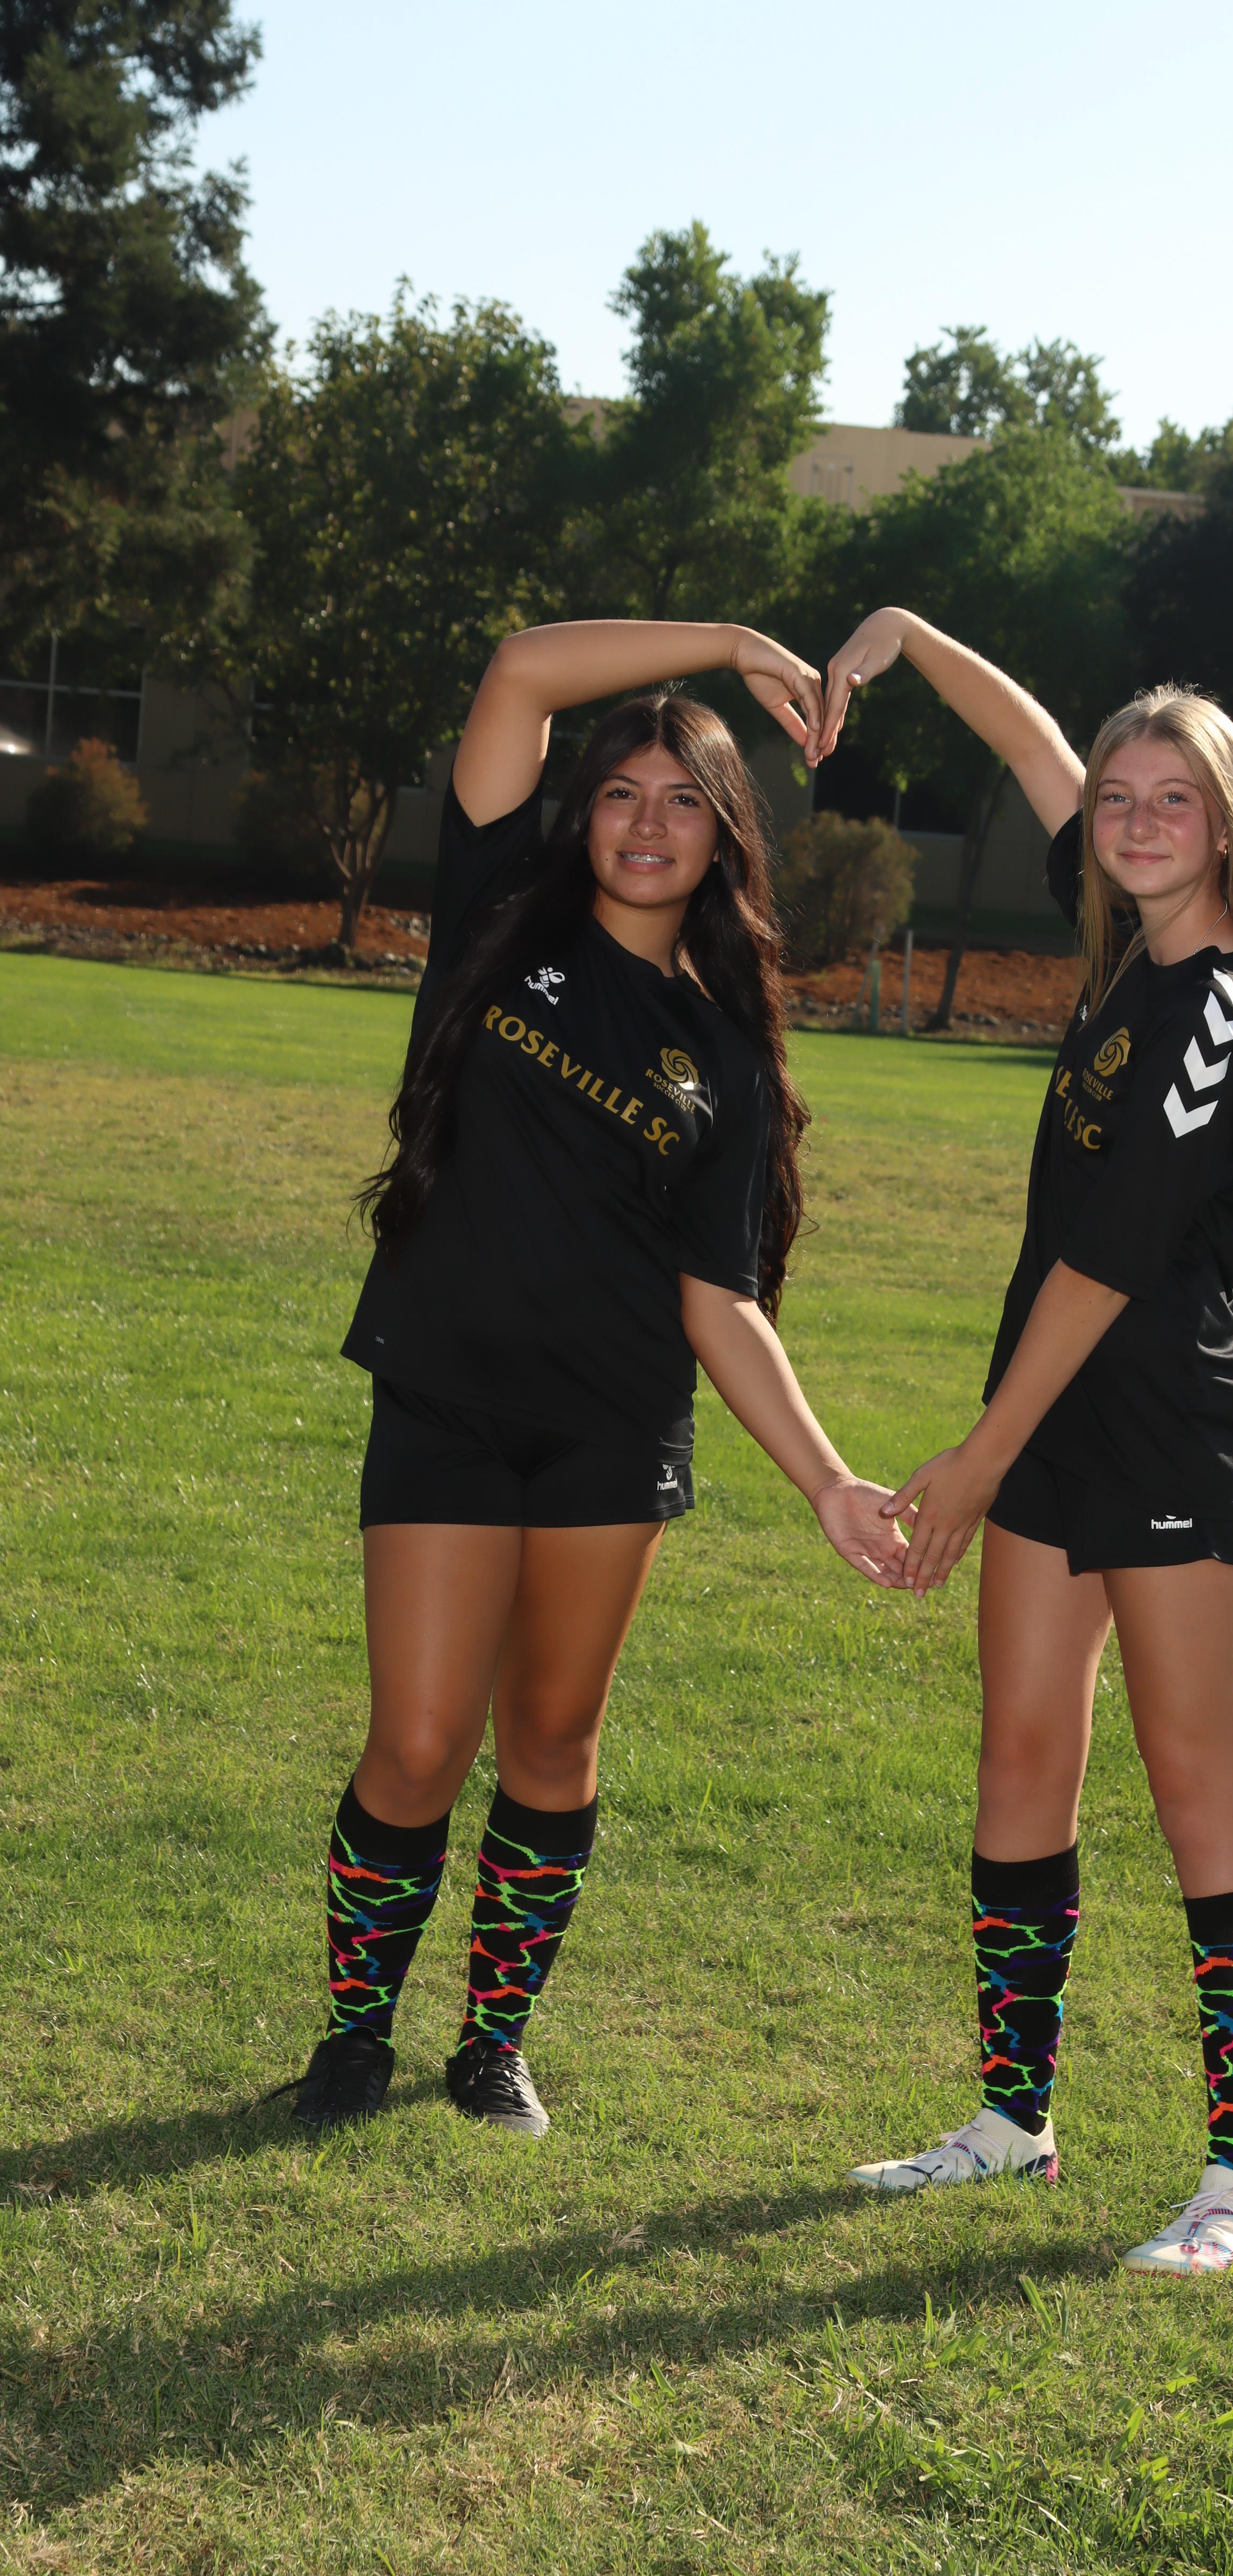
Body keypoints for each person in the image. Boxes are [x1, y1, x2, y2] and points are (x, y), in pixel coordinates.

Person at [278, 619, 906, 2141]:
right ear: (583, 811)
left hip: (611, 1432)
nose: (646, 822)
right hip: (446, 1395)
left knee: (553, 1744)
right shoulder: (500, 911)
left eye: (684, 801)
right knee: (418, 1741)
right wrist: (733, 646)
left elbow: (719, 1296)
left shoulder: (723, 1055)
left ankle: (492, 2045)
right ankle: (354, 2037)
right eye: (622, 790)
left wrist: (828, 1479)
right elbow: (516, 674)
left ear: (725, 838)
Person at [822, 610, 1233, 2275]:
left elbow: (1105, 1265)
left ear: (1226, 825)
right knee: (1022, 1760)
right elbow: (1036, 747)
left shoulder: (1218, 1002)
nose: (1137, 818)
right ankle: (1013, 2121)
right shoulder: (1122, 955)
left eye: (1176, 798)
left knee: (1196, 1786)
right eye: (1121, 796)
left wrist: (974, 1458)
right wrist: (903, 638)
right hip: (1048, 1416)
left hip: (1161, 1427)